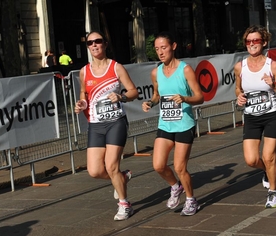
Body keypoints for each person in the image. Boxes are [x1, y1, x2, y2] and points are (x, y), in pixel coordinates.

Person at [74, 31, 138, 221]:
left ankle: (125, 204)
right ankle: (122, 177)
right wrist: (81, 104)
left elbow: (133, 91)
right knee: (94, 171)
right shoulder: (84, 71)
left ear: (105, 44)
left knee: (111, 166)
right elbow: (84, 95)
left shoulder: (116, 67)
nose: (94, 45)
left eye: (98, 41)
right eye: (90, 43)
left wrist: (122, 96)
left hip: (115, 122)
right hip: (95, 124)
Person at [141, 31, 204, 216]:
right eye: (157, 49)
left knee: (179, 167)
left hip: (184, 124)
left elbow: (200, 96)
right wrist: (150, 103)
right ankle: (175, 187)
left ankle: (191, 200)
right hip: (165, 124)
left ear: (173, 47)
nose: (160, 52)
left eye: (164, 48)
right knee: (158, 165)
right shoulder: (156, 72)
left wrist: (184, 98)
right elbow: (156, 94)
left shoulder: (185, 70)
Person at [234, 25, 276, 208]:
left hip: (271, 115)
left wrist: (273, 86)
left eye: (256, 40)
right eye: (248, 41)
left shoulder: (272, 65)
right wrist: (239, 97)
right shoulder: (239, 67)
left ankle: (273, 192)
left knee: (269, 157)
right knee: (251, 160)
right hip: (251, 117)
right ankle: (269, 171)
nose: (251, 44)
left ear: (264, 42)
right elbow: (238, 88)